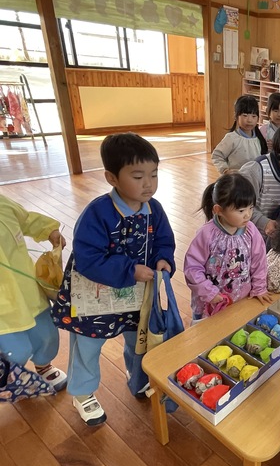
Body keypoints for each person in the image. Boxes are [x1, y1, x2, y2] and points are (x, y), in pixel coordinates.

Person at [52, 133, 176, 425]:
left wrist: (163, 259)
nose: (148, 184)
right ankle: (83, 393)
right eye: (138, 176)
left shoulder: (154, 209)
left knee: (138, 339)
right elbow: (88, 259)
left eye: (154, 174)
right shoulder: (97, 213)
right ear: (112, 177)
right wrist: (129, 270)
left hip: (136, 296)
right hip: (95, 298)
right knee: (87, 346)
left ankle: (138, 377)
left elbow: (164, 241)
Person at [0, 195, 67, 394]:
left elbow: (27, 219)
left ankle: (43, 365)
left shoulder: (3, 204)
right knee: (15, 350)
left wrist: (48, 230)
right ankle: (11, 375)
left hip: (28, 290)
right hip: (3, 308)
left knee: (46, 335)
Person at [184, 173, 271, 323]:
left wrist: (259, 287)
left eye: (251, 208)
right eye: (241, 211)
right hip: (211, 302)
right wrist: (209, 292)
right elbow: (192, 268)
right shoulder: (207, 234)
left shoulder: (251, 230)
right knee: (206, 334)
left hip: (240, 299)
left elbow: (259, 261)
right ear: (218, 210)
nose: (248, 215)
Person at [211, 95, 268, 174]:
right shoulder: (231, 138)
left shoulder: (259, 139)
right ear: (236, 116)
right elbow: (217, 155)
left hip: (254, 178)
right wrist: (225, 170)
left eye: (253, 116)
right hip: (235, 179)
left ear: (258, 118)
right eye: (245, 116)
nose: (249, 120)